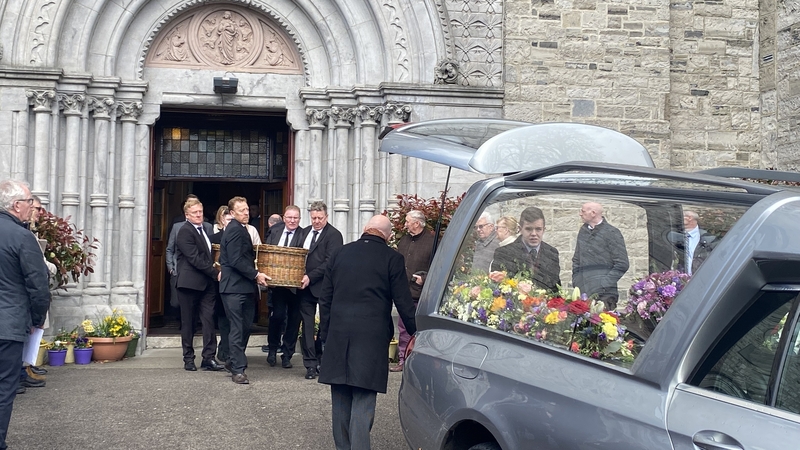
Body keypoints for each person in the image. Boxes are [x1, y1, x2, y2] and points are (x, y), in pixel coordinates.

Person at [317, 215, 416, 450]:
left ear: (365, 229)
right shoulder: (392, 258)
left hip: (339, 334)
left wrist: (325, 335)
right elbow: (404, 302)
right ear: (388, 236)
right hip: (371, 337)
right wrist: (416, 333)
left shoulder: (340, 253)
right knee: (363, 397)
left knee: (340, 395)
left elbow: (325, 298)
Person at [0, 179, 51, 450]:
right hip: (8, 325)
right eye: (30, 201)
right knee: (4, 387)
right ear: (17, 205)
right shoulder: (21, 236)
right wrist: (36, 319)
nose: (33, 206)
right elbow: (37, 284)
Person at [219, 196, 270, 384]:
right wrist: (256, 274)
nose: (246, 213)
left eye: (247, 209)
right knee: (237, 328)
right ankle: (238, 371)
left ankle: (233, 361)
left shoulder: (242, 230)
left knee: (246, 327)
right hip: (233, 288)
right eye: (241, 210)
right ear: (232, 213)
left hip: (244, 288)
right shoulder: (233, 230)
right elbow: (235, 260)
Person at [174, 197, 225, 372]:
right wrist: (215, 273)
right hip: (189, 284)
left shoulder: (205, 229)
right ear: (187, 215)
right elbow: (194, 258)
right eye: (195, 213)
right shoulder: (184, 231)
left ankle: (208, 358)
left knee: (209, 320)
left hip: (207, 284)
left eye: (200, 212)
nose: (198, 215)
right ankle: (188, 359)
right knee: (188, 322)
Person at [297, 201, 343, 380]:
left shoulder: (334, 235)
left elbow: (329, 262)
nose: (316, 221)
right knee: (307, 326)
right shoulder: (305, 232)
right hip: (304, 287)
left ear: (326, 217)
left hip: (325, 287)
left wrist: (310, 277)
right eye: (313, 217)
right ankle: (309, 363)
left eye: (320, 218)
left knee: (326, 324)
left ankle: (323, 360)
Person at [391, 210, 435, 372]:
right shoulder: (404, 240)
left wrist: (424, 278)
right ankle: (403, 360)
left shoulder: (432, 241)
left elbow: (438, 267)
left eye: (408, 221)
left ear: (417, 223)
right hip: (404, 293)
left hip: (423, 295)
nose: (405, 224)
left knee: (422, 330)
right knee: (403, 329)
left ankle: (421, 362)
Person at [264, 205, 305, 369]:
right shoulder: (275, 231)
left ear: (300, 219)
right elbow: (267, 253)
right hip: (277, 285)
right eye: (289, 217)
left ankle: (287, 355)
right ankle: (272, 349)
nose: (292, 220)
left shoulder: (304, 234)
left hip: (296, 286)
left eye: (296, 218)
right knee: (278, 316)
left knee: (294, 321)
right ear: (284, 217)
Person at [571, 202, 629, 310]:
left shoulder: (612, 233)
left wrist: (603, 284)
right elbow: (576, 259)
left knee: (602, 325)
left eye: (583, 211)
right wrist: (577, 282)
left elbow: (622, 264)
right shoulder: (583, 231)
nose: (580, 214)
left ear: (593, 213)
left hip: (605, 296)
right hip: (583, 294)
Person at [491, 206, 561, 292]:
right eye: (529, 229)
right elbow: (496, 289)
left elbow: (556, 289)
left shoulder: (552, 253)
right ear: (520, 229)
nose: (534, 234)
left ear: (544, 230)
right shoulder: (503, 253)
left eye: (538, 229)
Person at [166, 194, 199, 311]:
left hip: (197, 270)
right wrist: (170, 267)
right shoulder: (177, 225)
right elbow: (170, 248)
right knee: (176, 302)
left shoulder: (204, 225)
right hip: (178, 270)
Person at [209, 207, 232, 363]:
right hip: (217, 282)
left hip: (235, 283)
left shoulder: (242, 236)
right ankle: (223, 350)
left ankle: (228, 349)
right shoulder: (213, 238)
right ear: (221, 220)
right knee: (223, 317)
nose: (230, 222)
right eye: (227, 219)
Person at [682, 210, 717, 275]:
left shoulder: (710, 240)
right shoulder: (672, 236)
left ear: (689, 218)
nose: (677, 219)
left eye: (680, 216)